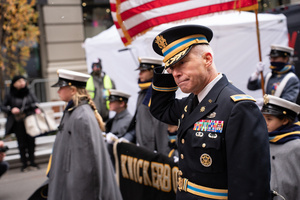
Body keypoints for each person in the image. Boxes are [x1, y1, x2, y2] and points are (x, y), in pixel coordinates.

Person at [150, 24, 271, 199]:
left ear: (207, 59)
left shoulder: (239, 107)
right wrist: (165, 73)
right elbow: (160, 109)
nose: (175, 73)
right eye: (171, 68)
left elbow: (249, 187)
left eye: (181, 63)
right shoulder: (192, 102)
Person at [48, 69, 122, 200]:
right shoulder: (74, 112)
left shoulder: (81, 117)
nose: (58, 91)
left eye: (62, 87)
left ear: (73, 90)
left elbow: (88, 168)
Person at [123, 57, 171, 156]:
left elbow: (160, 125)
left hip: (157, 151)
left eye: (143, 71)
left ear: (153, 71)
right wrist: (126, 138)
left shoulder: (159, 93)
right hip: (144, 149)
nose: (139, 74)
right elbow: (138, 120)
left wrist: (161, 152)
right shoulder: (142, 93)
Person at [261, 94, 300, 200]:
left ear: (285, 120)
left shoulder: (296, 146)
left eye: (269, 119)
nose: (265, 123)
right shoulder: (262, 140)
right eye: (263, 118)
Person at [1, 75, 40, 172]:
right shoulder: (10, 94)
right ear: (14, 84)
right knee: (21, 143)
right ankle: (24, 164)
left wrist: (25, 109)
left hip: (30, 120)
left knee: (31, 142)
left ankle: (32, 162)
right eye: (19, 81)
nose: (22, 83)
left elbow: (36, 102)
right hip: (18, 122)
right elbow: (3, 106)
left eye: (23, 80)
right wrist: (11, 110)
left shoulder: (29, 92)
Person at [105, 89, 132, 166]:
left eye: (112, 101)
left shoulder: (128, 120)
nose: (109, 103)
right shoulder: (115, 118)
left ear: (122, 103)